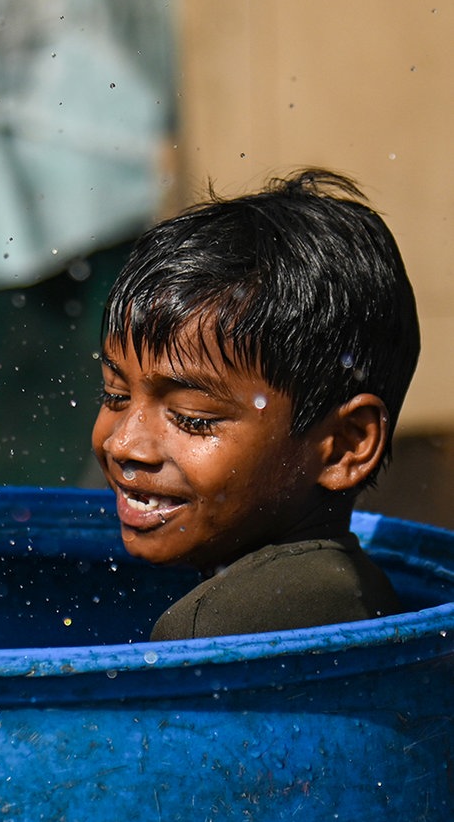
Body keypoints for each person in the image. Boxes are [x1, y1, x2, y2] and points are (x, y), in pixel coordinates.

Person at [92, 170, 420, 641]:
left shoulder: (220, 628)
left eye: (191, 418)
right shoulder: (347, 589)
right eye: (115, 396)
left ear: (344, 445)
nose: (125, 443)